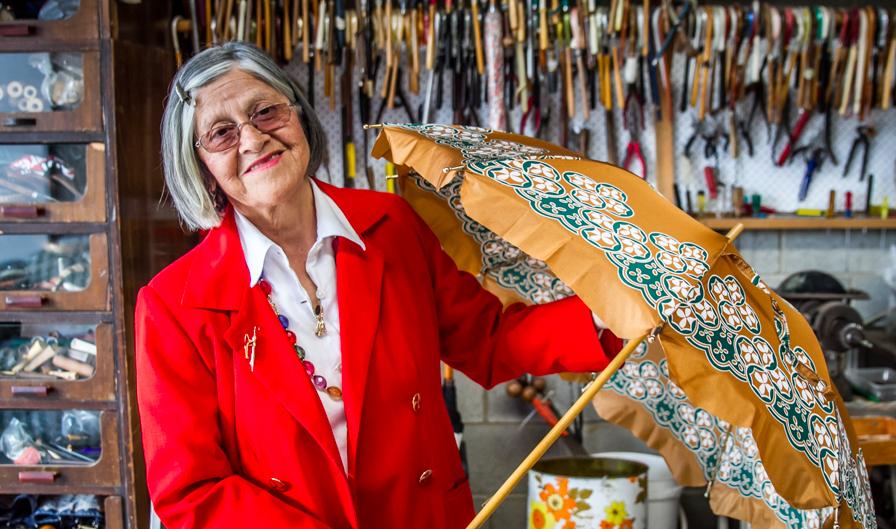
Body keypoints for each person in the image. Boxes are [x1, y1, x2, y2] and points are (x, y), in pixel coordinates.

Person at [135, 42, 616, 529]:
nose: (254, 139)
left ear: (298, 114)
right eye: (221, 133)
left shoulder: (392, 226)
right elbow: (192, 491)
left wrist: (602, 315)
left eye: (265, 112)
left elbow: (488, 340)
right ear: (198, 164)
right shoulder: (172, 305)